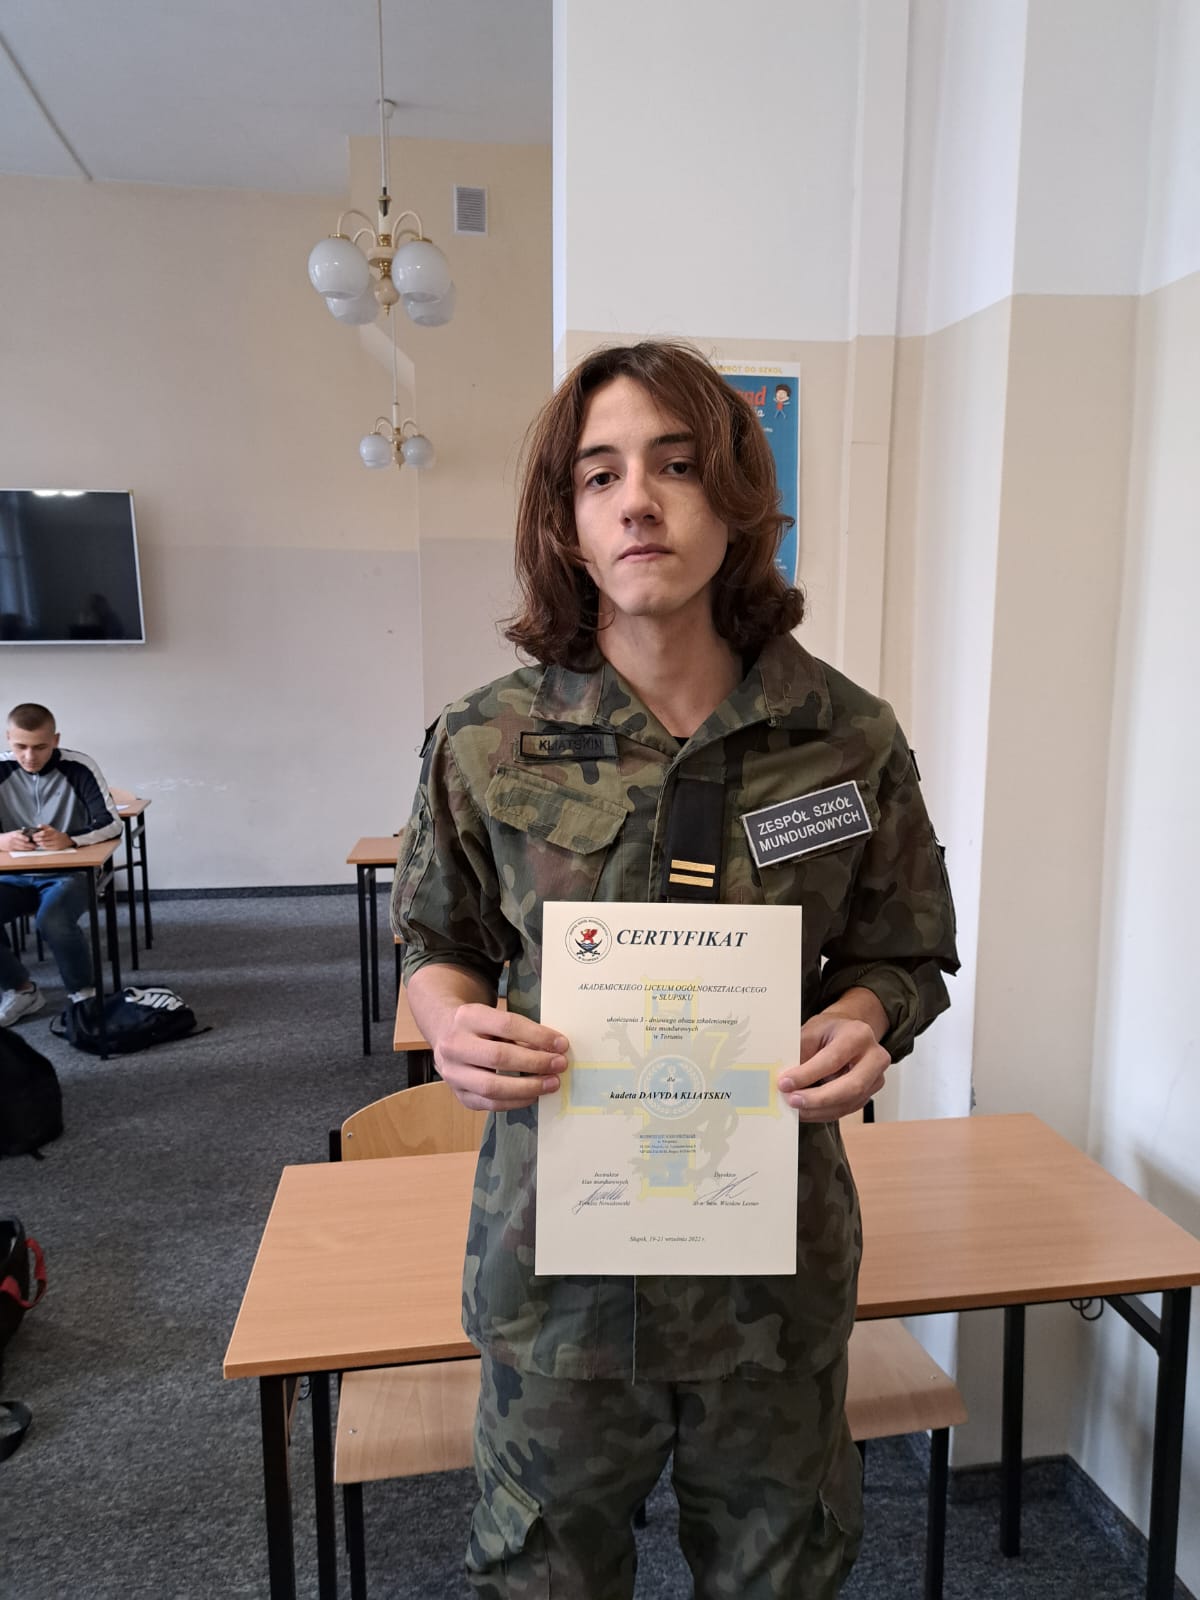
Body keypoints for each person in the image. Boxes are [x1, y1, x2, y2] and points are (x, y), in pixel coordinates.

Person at [394, 340, 959, 1598]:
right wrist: (452, 1023)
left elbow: (908, 948)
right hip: (559, 1273)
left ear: (737, 497)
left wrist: (868, 1016)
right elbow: (436, 940)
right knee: (543, 1576)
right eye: (600, 475)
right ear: (567, 521)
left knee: (780, 1577)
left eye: (678, 465)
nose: (638, 500)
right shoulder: (487, 738)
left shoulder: (846, 738)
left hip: (770, 1273)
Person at [0, 703, 122, 1024]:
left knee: (52, 919)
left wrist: (70, 838)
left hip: (70, 873)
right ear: (8, 739)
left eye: (40, 747)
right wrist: (1, 840)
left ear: (55, 740)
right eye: (20, 747)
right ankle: (21, 989)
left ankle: (84, 995)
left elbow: (112, 824)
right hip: (12, 875)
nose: (29, 756)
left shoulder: (79, 766)